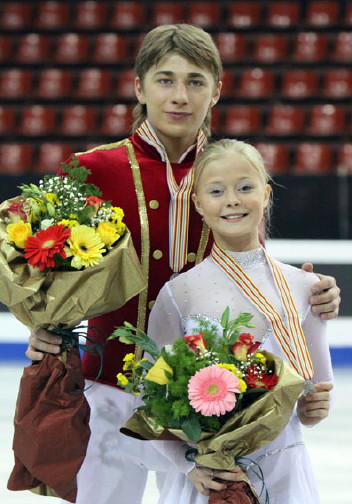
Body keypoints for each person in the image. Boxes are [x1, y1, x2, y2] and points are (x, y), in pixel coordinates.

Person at [24, 25, 339, 504]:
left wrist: (310, 290)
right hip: (108, 388)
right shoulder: (94, 168)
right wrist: (42, 325)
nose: (179, 96)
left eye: (195, 81)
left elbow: (250, 260)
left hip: (202, 407)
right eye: (165, 80)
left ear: (216, 90)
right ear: (139, 87)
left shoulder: (229, 170)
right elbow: (50, 269)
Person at [147, 138, 334, 504]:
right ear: (199, 204)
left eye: (245, 187)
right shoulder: (178, 293)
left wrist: (316, 410)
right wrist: (189, 466)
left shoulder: (306, 288)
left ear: (265, 194)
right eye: (217, 191)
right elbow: (151, 401)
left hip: (283, 472)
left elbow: (315, 394)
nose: (232, 199)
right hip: (209, 478)